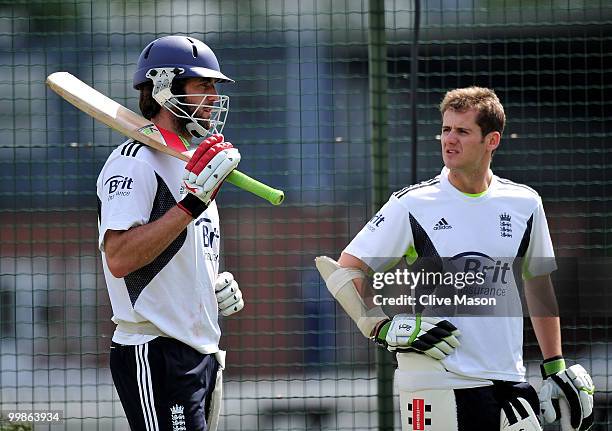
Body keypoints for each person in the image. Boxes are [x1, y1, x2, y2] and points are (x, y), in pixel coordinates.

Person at [316, 87, 595, 430]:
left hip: (508, 378)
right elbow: (345, 270)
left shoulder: (525, 203)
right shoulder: (412, 204)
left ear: (491, 140)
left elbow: (538, 284)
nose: (449, 139)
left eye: (462, 131)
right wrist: (381, 326)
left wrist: (555, 364)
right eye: (446, 129)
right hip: (437, 383)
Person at [96, 35, 245, 431]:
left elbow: (176, 251)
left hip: (202, 351)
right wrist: (189, 206)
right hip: (153, 351)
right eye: (203, 85)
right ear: (163, 86)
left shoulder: (193, 165)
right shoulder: (134, 162)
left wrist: (208, 288)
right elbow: (120, 257)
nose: (214, 96)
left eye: (215, 86)